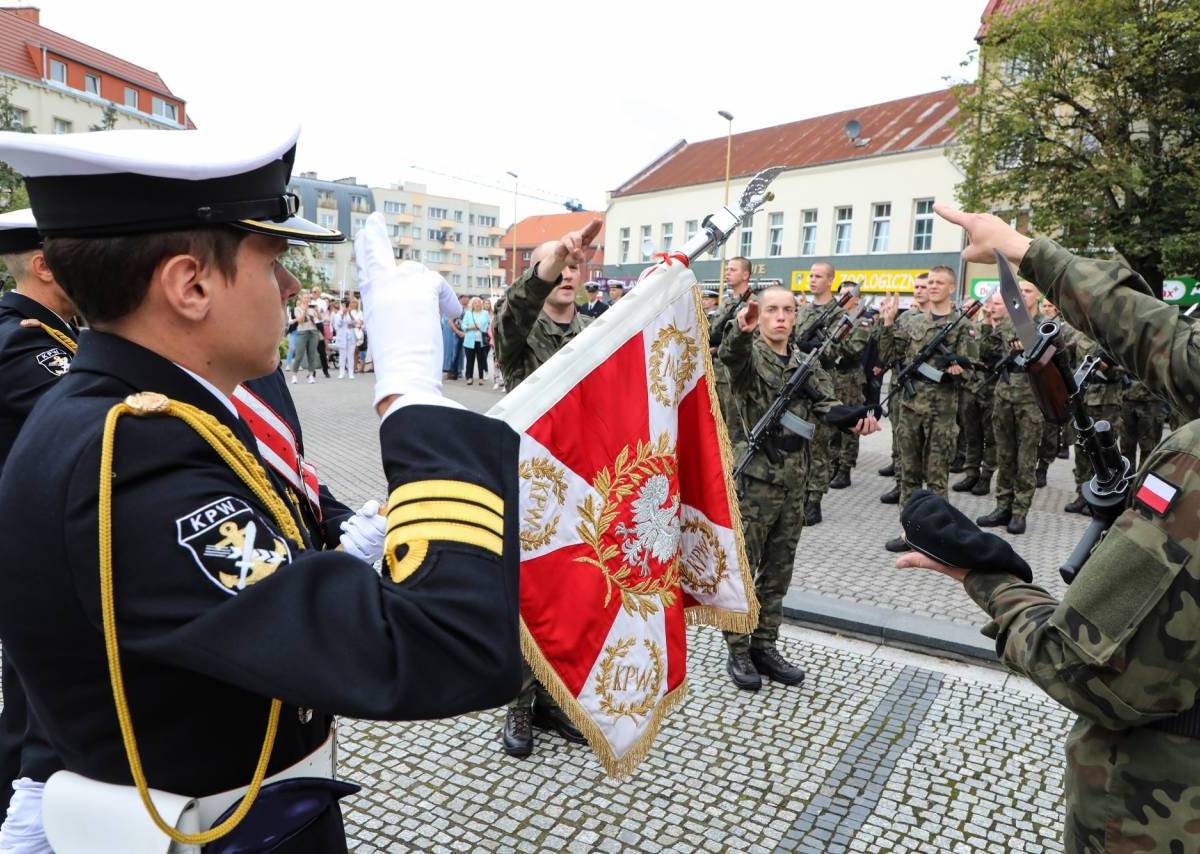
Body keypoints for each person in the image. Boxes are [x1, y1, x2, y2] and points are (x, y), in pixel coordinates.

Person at [0, 125, 521, 852]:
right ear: (191, 285)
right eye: (273, 261)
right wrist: (412, 396)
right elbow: (447, 648)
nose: (290, 287)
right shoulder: (131, 458)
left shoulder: (148, 416)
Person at [899, 203, 1200, 852]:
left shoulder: (1193, 467)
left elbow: (1085, 668)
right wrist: (1021, 246)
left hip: (1160, 811)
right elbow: (1177, 349)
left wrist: (988, 578)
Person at [720, 285, 878, 690]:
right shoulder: (750, 356)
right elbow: (730, 358)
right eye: (772, 310)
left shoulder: (807, 362)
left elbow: (826, 406)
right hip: (756, 477)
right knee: (744, 567)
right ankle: (738, 648)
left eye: (787, 310)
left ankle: (765, 644)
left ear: (796, 315)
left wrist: (855, 418)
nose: (780, 317)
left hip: (794, 480)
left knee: (778, 570)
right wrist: (740, 330)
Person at [493, 219, 602, 756]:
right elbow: (514, 310)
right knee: (527, 596)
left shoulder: (599, 336)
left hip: (581, 486)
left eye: (575, 264)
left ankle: (555, 702)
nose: (567, 273)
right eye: (558, 264)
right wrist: (551, 259)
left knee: (571, 594)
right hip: (529, 485)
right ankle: (518, 706)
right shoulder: (519, 332)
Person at [0, 209, 78, 848]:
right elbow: (87, 433)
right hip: (37, 559)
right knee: (35, 713)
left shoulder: (48, 334)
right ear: (46, 267)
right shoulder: (25, 341)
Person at [880, 266, 978, 551]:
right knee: (908, 474)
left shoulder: (963, 325)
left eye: (940, 282)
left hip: (941, 413)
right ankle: (909, 533)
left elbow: (974, 371)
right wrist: (887, 323)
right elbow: (889, 355)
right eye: (930, 281)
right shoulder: (912, 320)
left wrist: (959, 368)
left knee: (936, 478)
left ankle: (936, 537)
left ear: (951, 288)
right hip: (910, 408)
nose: (933, 286)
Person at [975, 279, 1047, 535]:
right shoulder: (1007, 323)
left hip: (1031, 400)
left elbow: (1055, 362)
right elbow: (985, 353)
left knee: (1026, 458)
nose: (1023, 295)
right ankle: (1002, 506)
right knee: (1004, 455)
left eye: (1028, 290)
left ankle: (1020, 511)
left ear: (1038, 295)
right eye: (1020, 291)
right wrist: (986, 323)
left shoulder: (1047, 326)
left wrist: (1030, 347)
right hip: (1004, 396)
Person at [879, 274, 930, 504]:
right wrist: (887, 321)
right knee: (901, 436)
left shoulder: (941, 320)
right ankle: (901, 484)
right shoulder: (906, 317)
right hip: (901, 384)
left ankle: (924, 490)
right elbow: (889, 352)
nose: (918, 291)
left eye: (923, 286)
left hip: (927, 392)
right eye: (916, 286)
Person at [290, 292, 320, 383]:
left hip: (313, 332)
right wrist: (305, 311)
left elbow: (318, 320)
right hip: (302, 332)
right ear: (302, 299)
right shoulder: (297, 308)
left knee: (312, 355)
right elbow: (300, 321)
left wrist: (317, 312)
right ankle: (294, 375)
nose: (307, 299)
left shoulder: (312, 309)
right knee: (299, 355)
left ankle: (311, 375)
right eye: (305, 298)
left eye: (308, 298)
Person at [460, 296, 490, 385]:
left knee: (481, 360)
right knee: (470, 360)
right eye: (475, 302)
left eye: (479, 302)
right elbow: (463, 326)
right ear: (472, 304)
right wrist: (470, 327)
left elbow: (488, 324)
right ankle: (469, 377)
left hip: (481, 341)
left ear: (481, 304)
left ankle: (481, 378)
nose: (477, 304)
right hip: (469, 341)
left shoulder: (485, 313)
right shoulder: (468, 313)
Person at [331, 296, 360, 379]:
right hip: (342, 336)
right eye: (344, 303)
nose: (346, 305)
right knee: (342, 355)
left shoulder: (353, 312)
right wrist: (342, 314)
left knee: (350, 355)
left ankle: (351, 372)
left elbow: (356, 323)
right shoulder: (338, 314)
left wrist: (349, 313)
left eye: (347, 303)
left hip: (351, 336)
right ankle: (341, 372)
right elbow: (337, 325)